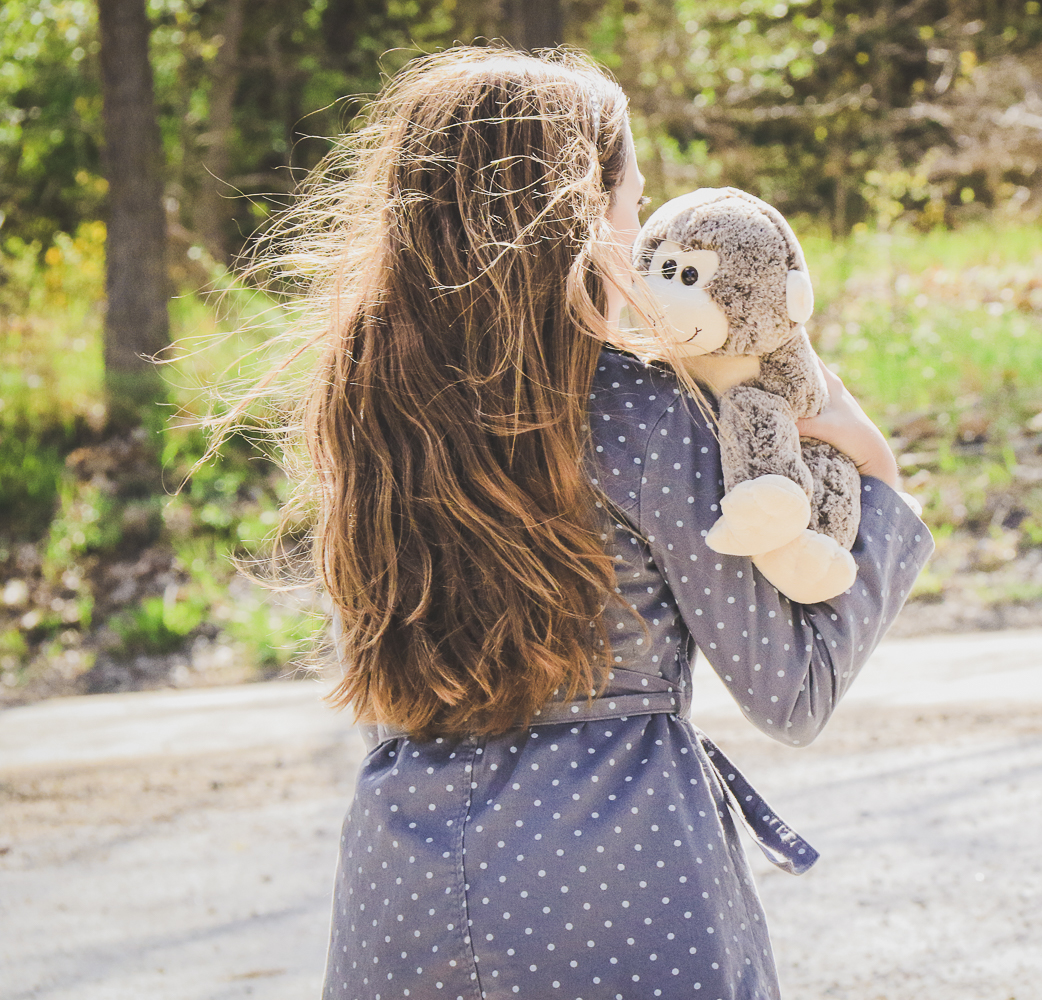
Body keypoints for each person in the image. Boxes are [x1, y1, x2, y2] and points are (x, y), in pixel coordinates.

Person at [275, 47, 933, 1000]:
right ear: (583, 216)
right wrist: (876, 478)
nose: (636, 228)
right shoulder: (646, 413)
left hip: (404, 885)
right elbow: (791, 691)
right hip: (629, 879)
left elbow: (377, 683)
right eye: (629, 201)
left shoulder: (369, 407)